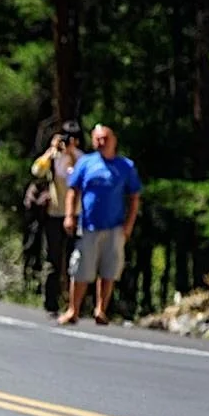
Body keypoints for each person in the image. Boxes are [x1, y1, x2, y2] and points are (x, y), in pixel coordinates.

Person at [58, 124, 142, 326]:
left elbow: (134, 197)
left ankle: (101, 309)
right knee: (81, 269)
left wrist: (129, 224)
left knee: (109, 270)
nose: (101, 142)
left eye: (105, 138)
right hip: (88, 225)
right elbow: (73, 191)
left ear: (114, 141)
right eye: (97, 138)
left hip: (114, 226)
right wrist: (70, 215)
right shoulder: (86, 163)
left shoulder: (125, 166)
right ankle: (73, 310)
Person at [30, 124, 83, 316]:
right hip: (54, 213)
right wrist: (51, 151)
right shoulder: (54, 157)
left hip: (76, 214)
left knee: (74, 261)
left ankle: (73, 304)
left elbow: (82, 177)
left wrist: (72, 154)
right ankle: (50, 302)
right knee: (53, 260)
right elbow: (36, 171)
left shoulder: (81, 157)